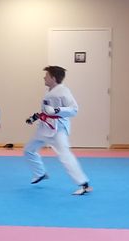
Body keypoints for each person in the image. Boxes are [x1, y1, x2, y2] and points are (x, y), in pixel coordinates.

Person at [24, 65, 92, 195]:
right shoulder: (50, 90)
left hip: (58, 129)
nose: (44, 77)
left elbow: (74, 109)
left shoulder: (63, 91)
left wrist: (57, 110)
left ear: (53, 78)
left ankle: (84, 184)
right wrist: (34, 117)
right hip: (45, 127)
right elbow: (46, 110)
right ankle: (40, 173)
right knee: (29, 150)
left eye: (47, 75)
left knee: (65, 155)